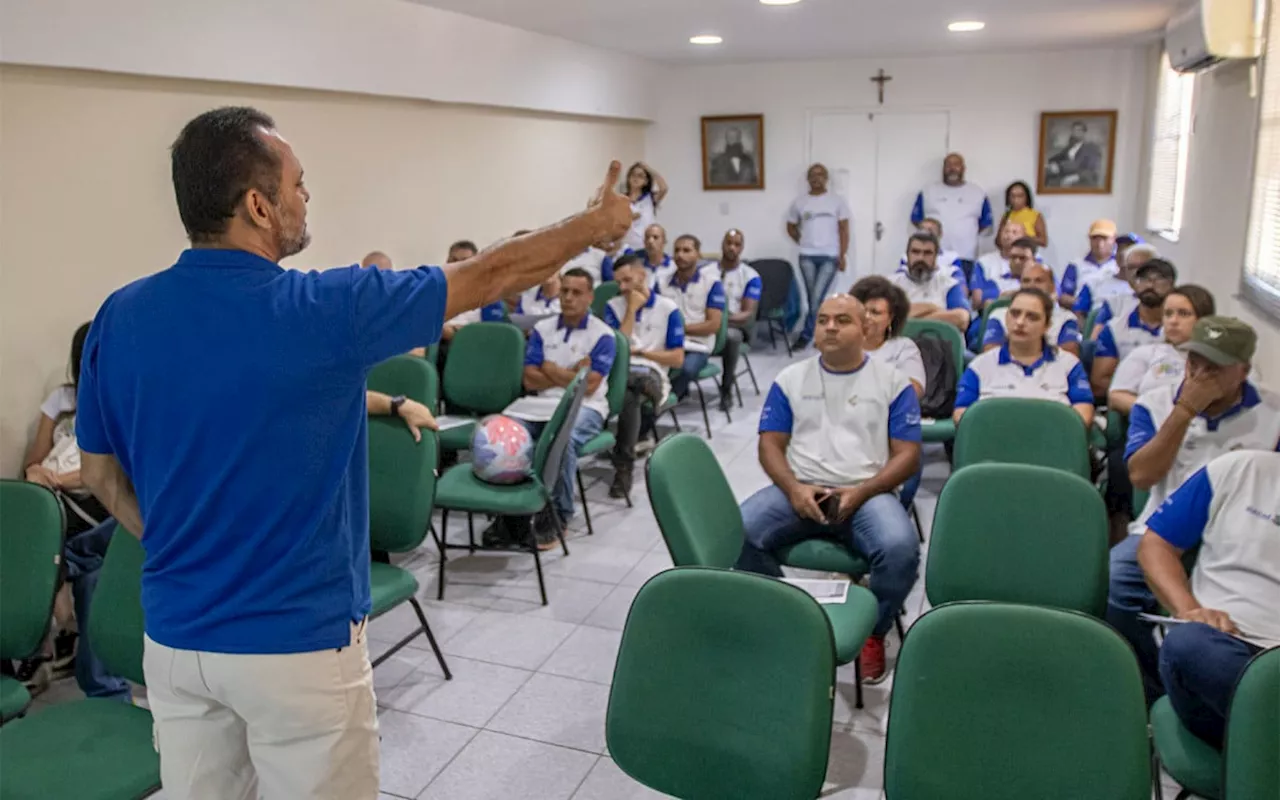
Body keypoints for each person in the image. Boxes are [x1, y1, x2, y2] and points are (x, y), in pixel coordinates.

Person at [75, 106, 634, 799]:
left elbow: (97, 472)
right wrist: (592, 229)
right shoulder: (323, 310)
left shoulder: (118, 316)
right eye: (298, 185)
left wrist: (165, 540)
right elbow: (488, 275)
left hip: (176, 643)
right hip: (295, 647)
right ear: (257, 205)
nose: (307, 197)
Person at [736, 294, 922, 683]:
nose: (831, 327)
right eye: (822, 320)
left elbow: (907, 456)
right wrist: (793, 489)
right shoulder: (791, 379)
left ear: (866, 328)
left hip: (867, 494)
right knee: (737, 535)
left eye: (843, 320)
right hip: (801, 488)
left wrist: (864, 491)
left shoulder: (892, 382)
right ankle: (791, 616)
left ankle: (873, 630)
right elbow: (769, 444)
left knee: (901, 550)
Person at [1108, 316, 1280, 702]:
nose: (1200, 375)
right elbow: (1140, 476)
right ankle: (1150, 687)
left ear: (1243, 372)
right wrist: (1184, 411)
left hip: (1242, 535)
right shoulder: (1155, 403)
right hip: (1164, 528)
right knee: (1116, 581)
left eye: (1214, 369)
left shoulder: (1273, 414)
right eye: (1194, 364)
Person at [18, 323, 131, 703]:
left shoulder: (125, 402)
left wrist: (63, 479)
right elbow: (35, 459)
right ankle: (63, 571)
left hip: (102, 507)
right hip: (58, 503)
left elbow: (117, 474)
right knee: (88, 568)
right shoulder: (62, 400)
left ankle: (59, 573)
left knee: (97, 554)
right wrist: (37, 474)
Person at [1138, 450, 1280, 748]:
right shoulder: (1239, 468)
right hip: (1227, 648)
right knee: (1188, 645)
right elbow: (1156, 545)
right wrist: (1190, 610)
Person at [486, 268, 616, 550]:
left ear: (590, 297)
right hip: (539, 403)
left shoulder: (603, 335)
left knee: (562, 437)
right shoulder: (543, 329)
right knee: (502, 434)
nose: (567, 297)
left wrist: (549, 368)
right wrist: (568, 373)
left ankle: (557, 514)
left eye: (576, 292)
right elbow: (528, 378)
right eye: (565, 291)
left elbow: (589, 386)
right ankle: (510, 515)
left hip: (585, 406)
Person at [604, 255, 685, 499]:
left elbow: (677, 359)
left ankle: (624, 465)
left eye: (627, 280)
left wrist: (644, 352)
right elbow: (618, 348)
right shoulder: (613, 306)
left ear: (643, 276)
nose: (623, 287)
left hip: (654, 370)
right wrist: (631, 309)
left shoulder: (668, 309)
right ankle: (624, 462)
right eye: (618, 282)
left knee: (633, 389)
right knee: (631, 392)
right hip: (622, 371)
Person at [953, 289, 1094, 427]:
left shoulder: (1069, 365)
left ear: (1047, 325)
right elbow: (961, 416)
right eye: (1014, 314)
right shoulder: (980, 366)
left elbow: (1083, 415)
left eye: (1032, 317)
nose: (1020, 322)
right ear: (1006, 317)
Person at [1108, 285, 1216, 415]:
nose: (1173, 321)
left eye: (1183, 314)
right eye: (1168, 314)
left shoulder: (1218, 361)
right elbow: (1117, 396)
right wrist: (1158, 413)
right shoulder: (1146, 353)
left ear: (1204, 320)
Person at [787, 163, 852, 348]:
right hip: (806, 256)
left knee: (816, 298)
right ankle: (818, 334)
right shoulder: (800, 202)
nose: (817, 178)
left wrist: (842, 254)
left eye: (820, 175)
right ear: (808, 179)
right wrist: (802, 240)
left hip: (830, 256)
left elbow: (844, 230)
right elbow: (791, 226)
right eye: (813, 175)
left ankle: (808, 335)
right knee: (812, 299)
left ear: (826, 179)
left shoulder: (836, 201)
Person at [1089, 259, 1176, 396]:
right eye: (1144, 279)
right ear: (1135, 285)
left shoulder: (1178, 328)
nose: (1150, 285)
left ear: (1172, 287)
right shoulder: (1115, 329)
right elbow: (1099, 381)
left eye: (1159, 280)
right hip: (1128, 399)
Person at [656, 235, 726, 400]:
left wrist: (678, 329)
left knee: (686, 369)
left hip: (697, 345)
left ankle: (667, 402)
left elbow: (713, 325)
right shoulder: (661, 282)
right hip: (667, 342)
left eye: (687, 250)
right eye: (677, 250)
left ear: (698, 254)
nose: (680, 255)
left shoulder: (711, 284)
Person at [982, 264, 1082, 357]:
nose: (1031, 285)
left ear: (1052, 287)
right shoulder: (998, 315)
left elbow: (1069, 358)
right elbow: (991, 354)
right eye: (1026, 281)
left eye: (1038, 281)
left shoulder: (1066, 318)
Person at [911, 152, 993, 262]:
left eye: (956, 164)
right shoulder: (928, 191)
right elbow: (917, 220)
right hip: (933, 255)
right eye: (948, 165)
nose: (952, 168)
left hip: (966, 256)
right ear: (943, 168)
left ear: (963, 168)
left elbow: (985, 224)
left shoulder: (977, 193)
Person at [716, 229, 761, 413]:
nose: (731, 248)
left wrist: (721, 322)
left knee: (731, 337)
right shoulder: (707, 271)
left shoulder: (751, 276)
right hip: (706, 324)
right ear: (722, 244)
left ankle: (726, 390)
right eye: (728, 243)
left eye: (736, 244)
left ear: (742, 248)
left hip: (735, 325)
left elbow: (747, 313)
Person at [888, 232, 971, 332]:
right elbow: (884, 319)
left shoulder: (948, 284)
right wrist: (933, 308)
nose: (920, 258)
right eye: (915, 252)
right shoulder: (891, 284)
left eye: (927, 253)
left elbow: (962, 319)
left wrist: (905, 320)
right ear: (907, 255)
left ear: (936, 257)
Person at [1077, 242, 1160, 329]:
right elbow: (1095, 340)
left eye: (1142, 266)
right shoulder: (1113, 304)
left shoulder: (1170, 302)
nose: (1136, 272)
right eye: (1131, 267)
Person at [1058, 219, 1117, 311]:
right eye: (1095, 239)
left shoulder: (1119, 265)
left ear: (1113, 239)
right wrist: (1084, 304)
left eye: (1105, 239)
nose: (1100, 244)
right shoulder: (1076, 265)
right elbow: (1063, 296)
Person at [900, 217, 966, 291]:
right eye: (922, 229)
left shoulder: (952, 257)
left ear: (940, 234)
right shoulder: (905, 257)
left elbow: (962, 289)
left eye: (930, 230)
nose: (925, 232)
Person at [972, 221, 1028, 306]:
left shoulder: (1034, 262)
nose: (1009, 236)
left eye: (1014, 232)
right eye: (1006, 231)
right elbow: (976, 302)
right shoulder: (984, 262)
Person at [620, 162, 669, 254]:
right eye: (633, 175)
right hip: (626, 246)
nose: (636, 178)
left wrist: (649, 170)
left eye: (640, 176)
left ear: (646, 181)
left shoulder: (649, 198)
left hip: (646, 245)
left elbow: (664, 188)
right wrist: (629, 218)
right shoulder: (621, 199)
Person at [1046, 121, 1104, 188]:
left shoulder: (1091, 148)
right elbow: (1057, 158)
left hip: (1082, 179)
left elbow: (1092, 170)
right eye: (1074, 130)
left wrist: (1077, 177)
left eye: (1078, 130)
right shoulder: (1070, 147)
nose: (1075, 133)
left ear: (1084, 132)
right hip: (1064, 175)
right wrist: (1053, 164)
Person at [998, 181, 1047, 247]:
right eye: (1012, 196)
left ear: (1027, 197)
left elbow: (1043, 241)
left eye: (1020, 196)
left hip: (1027, 253)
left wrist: (1023, 236)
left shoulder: (1035, 215)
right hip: (1009, 254)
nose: (1016, 199)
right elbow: (998, 241)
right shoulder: (1006, 215)